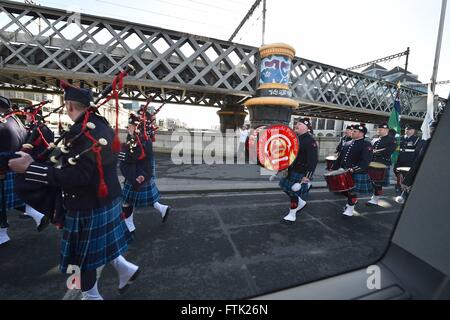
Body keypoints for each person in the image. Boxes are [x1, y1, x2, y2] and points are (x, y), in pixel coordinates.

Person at [8, 83, 139, 300]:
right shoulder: (101, 124)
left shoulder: (80, 132)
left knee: (76, 261)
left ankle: (91, 296)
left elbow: (77, 177)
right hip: (107, 199)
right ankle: (126, 270)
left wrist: (30, 168)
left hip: (86, 205)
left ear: (69, 106)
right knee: (99, 246)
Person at [119, 113, 170, 233]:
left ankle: (129, 225)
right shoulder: (142, 137)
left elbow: (131, 157)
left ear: (136, 126)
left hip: (137, 174)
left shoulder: (138, 139)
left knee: (126, 201)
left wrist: (121, 154)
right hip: (143, 173)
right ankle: (163, 209)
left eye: (130, 125)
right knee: (144, 199)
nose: (128, 128)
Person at [279, 118, 318, 222]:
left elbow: (313, 161)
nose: (297, 125)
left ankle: (292, 215)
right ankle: (301, 202)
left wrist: (307, 176)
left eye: (300, 124)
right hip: (291, 169)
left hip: (301, 172)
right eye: (296, 124)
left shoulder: (310, 141)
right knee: (285, 188)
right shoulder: (295, 138)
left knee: (293, 194)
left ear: (307, 127)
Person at [0, 96, 27, 245]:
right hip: (17, 166)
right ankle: (38, 214)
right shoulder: (18, 122)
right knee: (13, 200)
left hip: (3, 168)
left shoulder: (2, 123)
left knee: (2, 204)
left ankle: (2, 235)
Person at [332, 124, 373, 217]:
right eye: (352, 131)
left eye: (355, 131)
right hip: (345, 171)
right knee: (343, 191)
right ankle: (353, 200)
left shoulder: (366, 144)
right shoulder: (348, 143)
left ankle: (350, 210)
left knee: (351, 191)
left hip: (356, 172)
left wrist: (354, 169)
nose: (352, 132)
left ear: (361, 134)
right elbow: (340, 158)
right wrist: (334, 169)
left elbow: (366, 161)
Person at [367, 123, 397, 207]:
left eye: (381, 129)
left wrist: (376, 152)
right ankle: (374, 197)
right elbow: (369, 149)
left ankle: (375, 200)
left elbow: (389, 151)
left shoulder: (391, 140)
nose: (379, 131)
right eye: (378, 129)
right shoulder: (375, 139)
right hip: (373, 163)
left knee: (378, 183)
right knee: (372, 182)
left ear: (387, 130)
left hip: (382, 164)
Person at [394, 124, 420, 193]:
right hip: (399, 160)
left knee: (406, 175)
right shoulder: (400, 138)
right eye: (406, 129)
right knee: (398, 174)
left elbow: (417, 152)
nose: (407, 130)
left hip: (409, 161)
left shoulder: (417, 139)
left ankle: (406, 188)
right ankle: (399, 186)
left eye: (409, 129)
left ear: (413, 131)